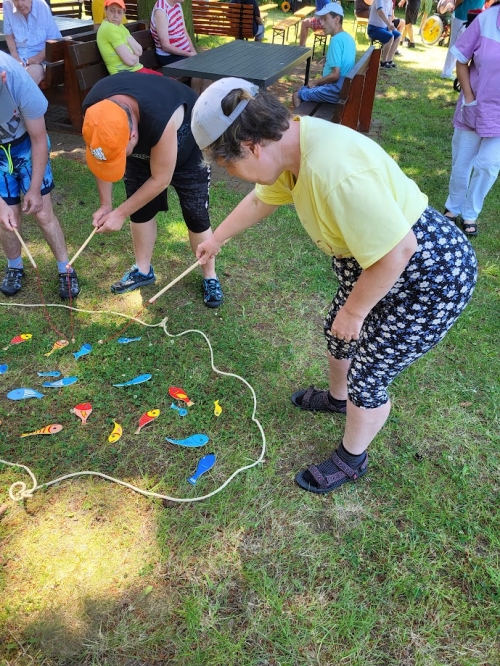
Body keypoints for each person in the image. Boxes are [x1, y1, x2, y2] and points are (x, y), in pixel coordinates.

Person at [191, 77, 477, 494]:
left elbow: (398, 252)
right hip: (373, 260)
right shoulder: (289, 148)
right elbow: (260, 199)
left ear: (251, 146)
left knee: (370, 371)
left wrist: (355, 310)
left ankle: (352, 457)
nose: (232, 175)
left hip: (428, 275)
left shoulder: (334, 171)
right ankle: (336, 399)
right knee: (337, 334)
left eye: (227, 166)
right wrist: (216, 239)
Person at [81, 72, 223, 306]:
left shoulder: (161, 115)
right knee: (140, 211)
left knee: (196, 215)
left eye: (121, 154)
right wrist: (106, 205)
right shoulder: (95, 113)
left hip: (188, 146)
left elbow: (160, 179)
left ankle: (210, 276)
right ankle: (143, 270)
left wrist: (119, 213)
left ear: (134, 133)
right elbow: (101, 159)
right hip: (144, 145)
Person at [0, 53, 80, 299]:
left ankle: (65, 268)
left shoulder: (19, 83)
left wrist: (34, 189)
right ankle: (15, 266)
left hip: (26, 144)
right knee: (5, 218)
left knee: (43, 211)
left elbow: (38, 140)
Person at [444, 1, 500, 236]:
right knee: (462, 163)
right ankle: (453, 207)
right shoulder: (486, 19)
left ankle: (470, 213)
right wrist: (469, 97)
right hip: (474, 106)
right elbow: (461, 59)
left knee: (488, 165)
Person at [292, 3, 356, 108]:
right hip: (345, 87)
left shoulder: (336, 40)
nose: (321, 23)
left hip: (335, 88)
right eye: (321, 19)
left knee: (297, 94)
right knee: (303, 90)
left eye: (325, 19)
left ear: (336, 19)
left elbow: (335, 75)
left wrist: (315, 82)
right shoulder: (348, 38)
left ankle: (304, 124)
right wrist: (328, 58)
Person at [150, 0, 208, 95]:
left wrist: (194, 52)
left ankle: (203, 102)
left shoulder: (177, 4)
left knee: (209, 69)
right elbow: (165, 46)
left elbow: (184, 32)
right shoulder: (161, 11)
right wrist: (189, 54)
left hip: (183, 53)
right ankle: (194, 101)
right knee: (199, 71)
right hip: (169, 57)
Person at [3, 0, 62, 85]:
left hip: (40, 61)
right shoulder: (7, 4)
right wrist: (16, 58)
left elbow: (55, 41)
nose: (19, 4)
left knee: (28, 79)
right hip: (18, 59)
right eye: (15, 0)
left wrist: (37, 58)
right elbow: (9, 35)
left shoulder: (42, 6)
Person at [97, 0, 161, 75]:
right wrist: (136, 59)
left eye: (119, 12)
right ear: (105, 10)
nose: (116, 15)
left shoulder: (119, 26)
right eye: (112, 11)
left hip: (135, 71)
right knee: (167, 83)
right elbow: (131, 61)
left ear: (124, 12)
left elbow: (139, 51)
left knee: (169, 81)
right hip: (126, 76)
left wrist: (135, 59)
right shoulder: (109, 28)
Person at [440, 0, 484, 80]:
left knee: (462, 46)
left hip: (472, 17)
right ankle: (446, 72)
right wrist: (455, 8)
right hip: (462, 16)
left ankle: (448, 71)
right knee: (455, 45)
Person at [368, 0, 403, 68]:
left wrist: (390, 27)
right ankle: (383, 62)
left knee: (398, 35)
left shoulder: (390, 2)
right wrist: (389, 25)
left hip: (384, 28)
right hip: (374, 28)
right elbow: (380, 12)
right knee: (390, 37)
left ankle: (389, 60)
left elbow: (389, 16)